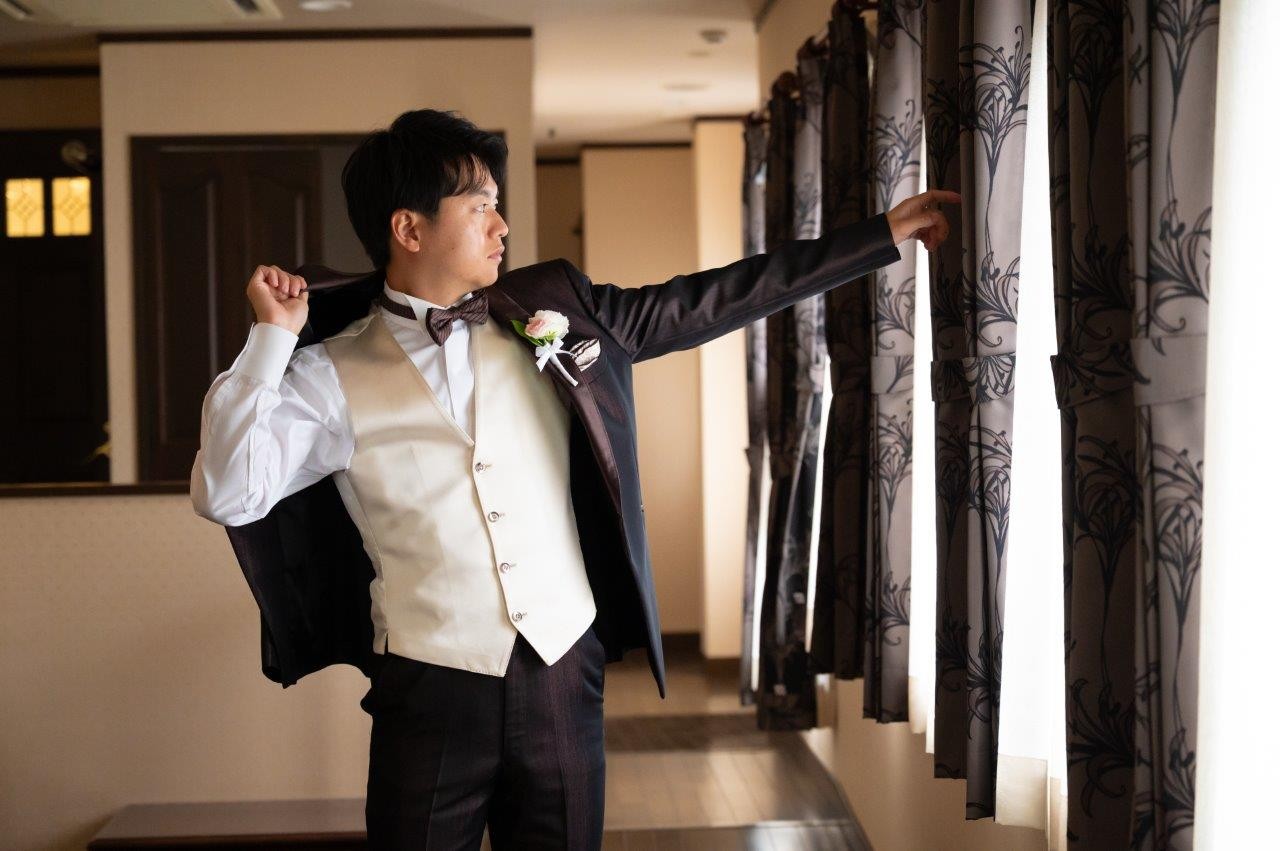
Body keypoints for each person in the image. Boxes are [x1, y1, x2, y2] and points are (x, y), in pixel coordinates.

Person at [190, 108, 956, 850]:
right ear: (409, 228)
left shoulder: (557, 312)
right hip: (428, 689)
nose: (502, 225)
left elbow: (713, 298)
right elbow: (226, 491)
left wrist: (879, 237)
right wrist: (270, 343)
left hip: (562, 670)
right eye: (480, 206)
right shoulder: (327, 374)